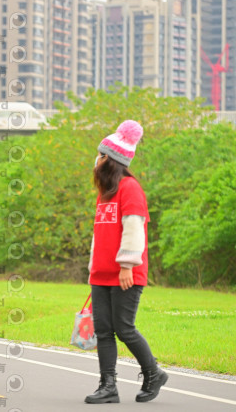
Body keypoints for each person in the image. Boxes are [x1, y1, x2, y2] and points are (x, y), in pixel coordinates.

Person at [85, 121, 168, 404]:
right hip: (102, 274)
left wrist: (126, 266)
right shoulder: (105, 192)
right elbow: (100, 234)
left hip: (126, 274)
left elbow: (134, 227)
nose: (96, 160)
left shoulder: (130, 188)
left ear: (110, 159)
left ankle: (154, 373)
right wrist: (94, 269)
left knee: (124, 328)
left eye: (100, 155)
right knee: (103, 331)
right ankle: (108, 386)